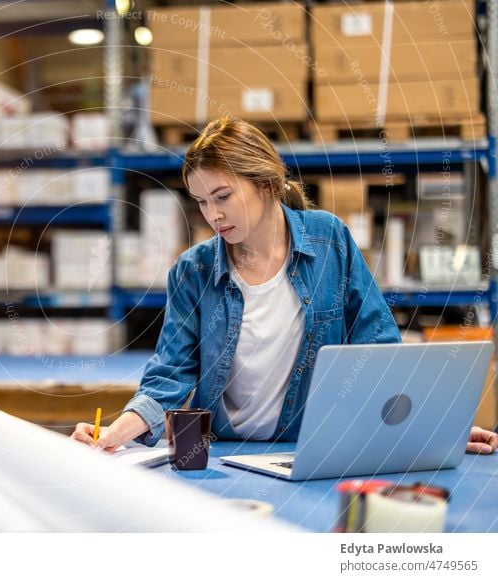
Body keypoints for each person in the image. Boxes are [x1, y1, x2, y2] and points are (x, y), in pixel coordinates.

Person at [71, 116, 498, 455]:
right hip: (223, 456)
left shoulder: (330, 240)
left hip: (313, 450)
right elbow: (169, 374)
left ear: (268, 184)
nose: (211, 215)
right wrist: (114, 432)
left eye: (222, 196)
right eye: (200, 201)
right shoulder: (192, 271)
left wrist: (433, 429)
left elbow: (380, 348)